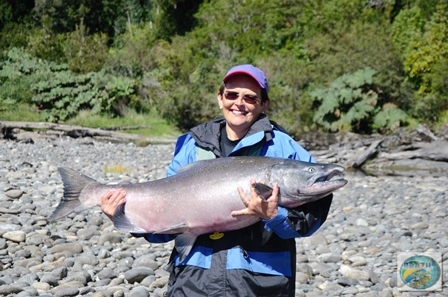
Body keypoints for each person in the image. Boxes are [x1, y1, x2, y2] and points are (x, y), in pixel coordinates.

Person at [101, 64, 333, 297]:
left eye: (250, 98)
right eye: (232, 95)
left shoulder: (284, 148)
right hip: (193, 280)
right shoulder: (192, 145)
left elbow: (311, 218)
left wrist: (273, 215)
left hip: (259, 284)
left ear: (264, 104)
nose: (239, 103)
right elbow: (165, 224)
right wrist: (123, 215)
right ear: (220, 98)